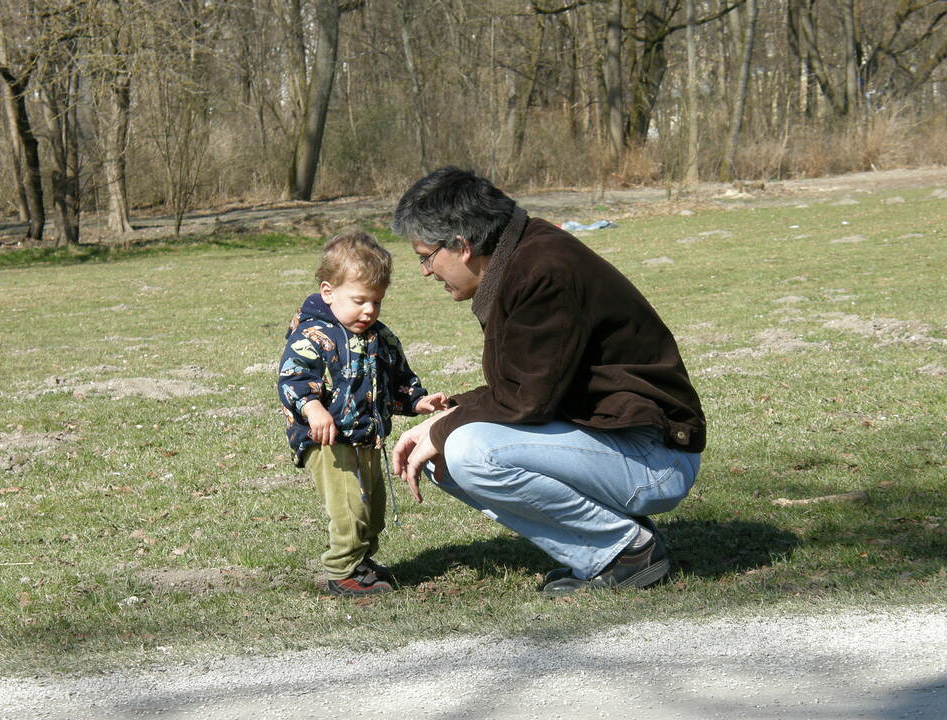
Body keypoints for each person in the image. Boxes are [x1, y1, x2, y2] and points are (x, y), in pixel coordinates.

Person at [390, 167, 706, 596]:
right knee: (440, 450)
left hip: (655, 458)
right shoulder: (521, 257)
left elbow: (527, 400)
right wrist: (446, 416)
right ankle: (612, 541)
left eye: (426, 257)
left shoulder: (543, 271)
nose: (426, 271)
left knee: (467, 450)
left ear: (462, 246)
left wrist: (445, 427)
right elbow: (528, 383)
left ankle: (623, 551)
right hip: (618, 440)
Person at [278, 230, 447, 596]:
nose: (369, 310)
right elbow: (293, 378)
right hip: (329, 441)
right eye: (359, 301)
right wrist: (313, 408)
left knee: (373, 510)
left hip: (369, 438)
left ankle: (361, 561)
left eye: (377, 302)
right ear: (328, 292)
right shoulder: (313, 335)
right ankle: (341, 572)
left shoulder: (380, 337)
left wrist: (417, 401)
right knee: (350, 509)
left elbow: (398, 378)